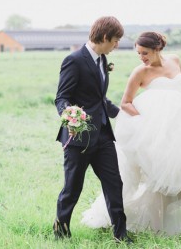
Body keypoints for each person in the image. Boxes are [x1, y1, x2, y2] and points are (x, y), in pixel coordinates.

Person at [82, 31, 181, 235]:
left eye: (145, 53)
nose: (142, 57)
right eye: (138, 53)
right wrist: (145, 121)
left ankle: (173, 221)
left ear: (158, 49)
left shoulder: (175, 60)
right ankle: (146, 222)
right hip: (154, 130)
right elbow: (125, 103)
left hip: (180, 128)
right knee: (158, 176)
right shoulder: (140, 72)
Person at [54, 16, 132, 243]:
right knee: (72, 187)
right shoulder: (74, 60)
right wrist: (70, 116)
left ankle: (121, 234)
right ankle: (61, 231)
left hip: (104, 137)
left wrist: (124, 114)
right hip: (78, 139)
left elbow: (99, 99)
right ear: (105, 37)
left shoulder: (103, 59)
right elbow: (62, 97)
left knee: (114, 184)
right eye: (116, 40)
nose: (117, 45)